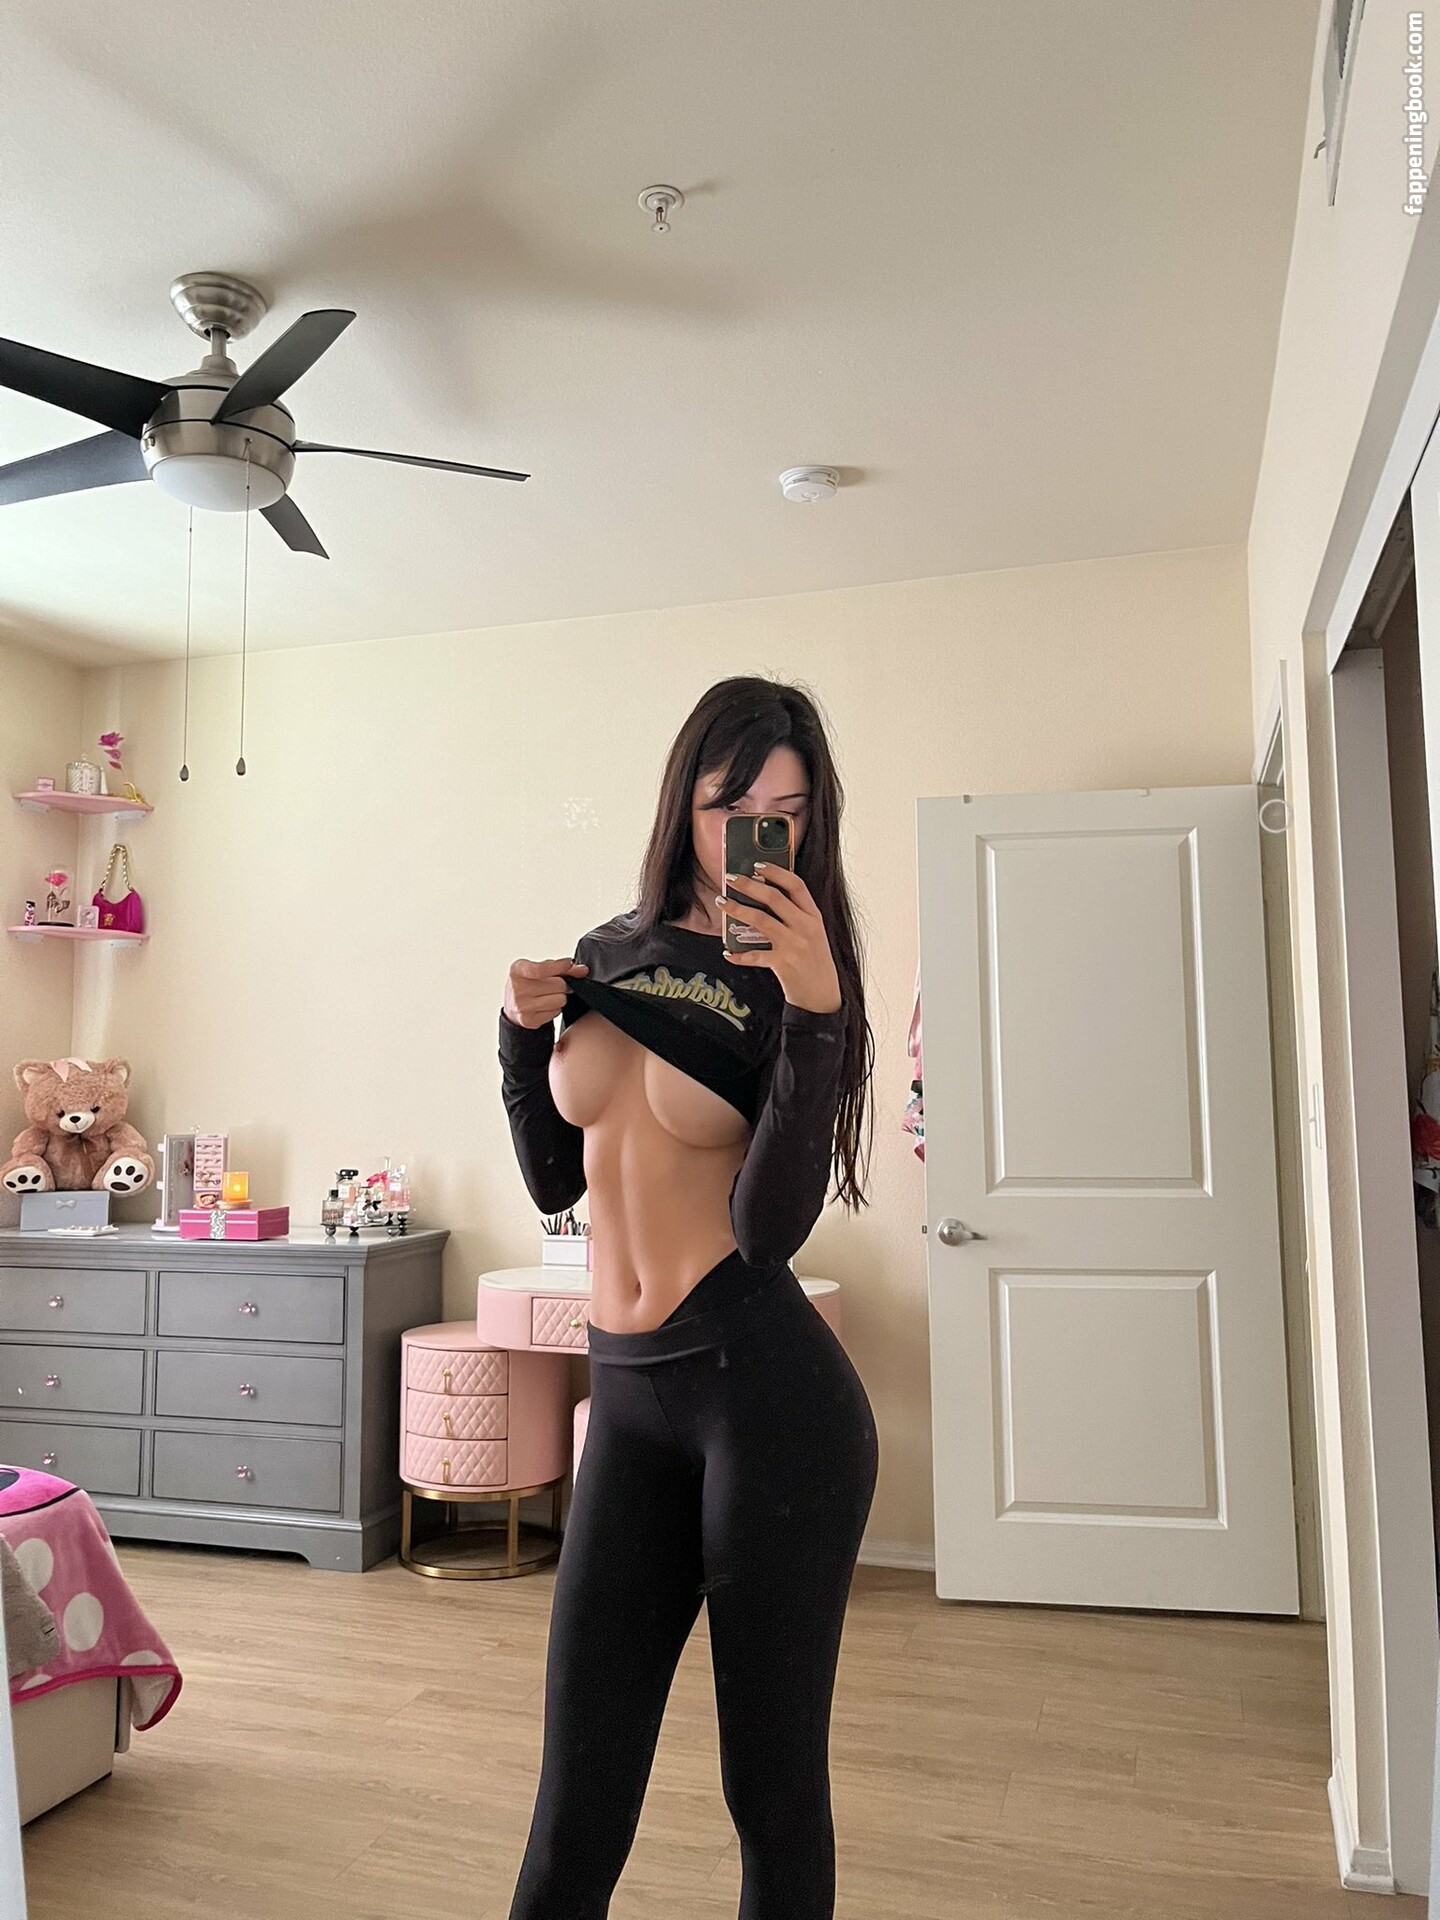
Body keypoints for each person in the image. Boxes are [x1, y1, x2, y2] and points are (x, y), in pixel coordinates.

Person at [498, 675, 879, 1920]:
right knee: (574, 1810)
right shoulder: (611, 953)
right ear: (685, 803)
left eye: (789, 812)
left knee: (769, 1791)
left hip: (767, 1400)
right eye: (732, 804)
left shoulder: (794, 982)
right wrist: (517, 1037)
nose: (756, 835)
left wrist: (817, 1017)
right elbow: (557, 1178)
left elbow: (767, 1233)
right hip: (627, 1400)